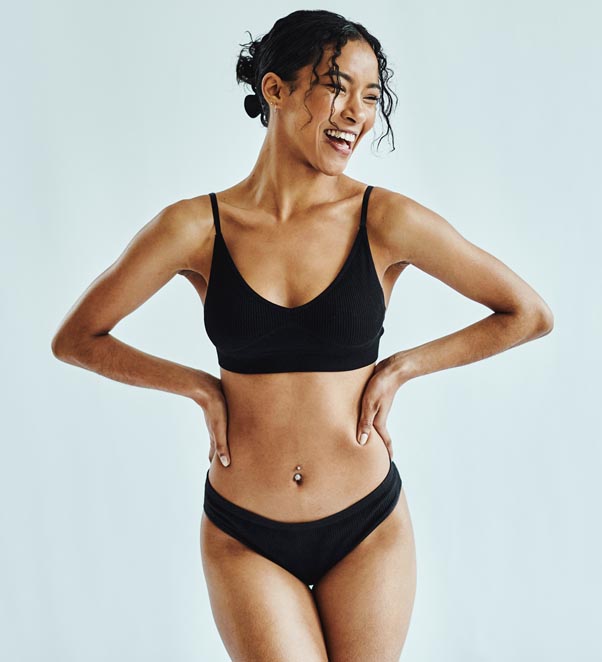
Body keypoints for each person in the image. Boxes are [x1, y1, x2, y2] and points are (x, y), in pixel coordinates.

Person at [51, 9, 554, 661]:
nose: (356, 112)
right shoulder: (195, 227)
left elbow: (527, 312)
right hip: (244, 533)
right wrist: (200, 389)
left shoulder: (385, 219)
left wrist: (403, 366)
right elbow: (79, 337)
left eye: (371, 97)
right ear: (276, 90)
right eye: (336, 86)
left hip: (367, 526)